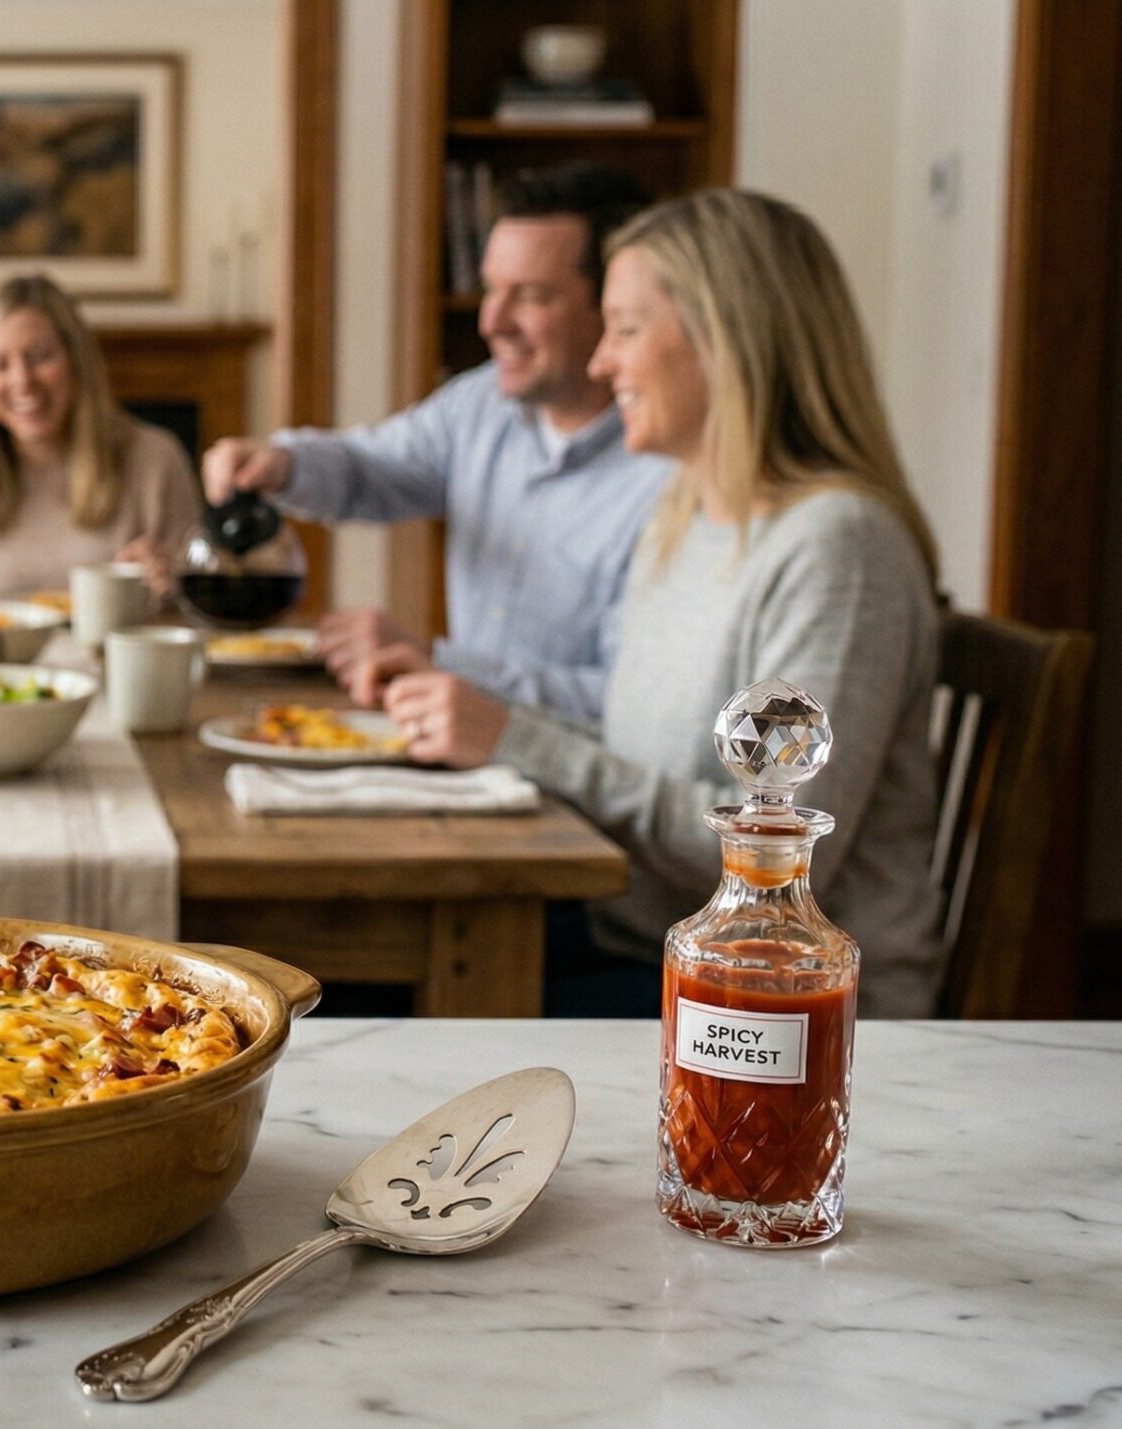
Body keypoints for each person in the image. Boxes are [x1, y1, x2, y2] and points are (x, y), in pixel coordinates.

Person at [380, 188, 946, 1018]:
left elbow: (777, 856)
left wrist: (516, 736)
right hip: (653, 945)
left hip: (780, 1009)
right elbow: (639, 753)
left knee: (381, 1010)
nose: (602, 363)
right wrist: (482, 714)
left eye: (626, 328)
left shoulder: (835, 547)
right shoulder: (685, 517)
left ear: (727, 342)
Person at [203, 163, 665, 723]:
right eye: (492, 289)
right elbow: (371, 466)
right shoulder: (479, 404)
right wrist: (281, 463)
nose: (492, 321)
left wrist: (442, 664)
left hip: (573, 792)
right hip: (459, 763)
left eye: (533, 297)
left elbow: (636, 711)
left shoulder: (670, 476)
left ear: (613, 309)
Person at [0, 273, 200, 601]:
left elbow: (194, 607)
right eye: (0, 365)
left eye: (40, 357)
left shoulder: (156, 460)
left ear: (75, 360)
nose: (22, 381)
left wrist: (173, 582)